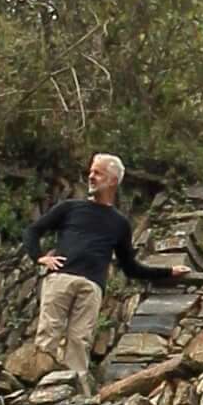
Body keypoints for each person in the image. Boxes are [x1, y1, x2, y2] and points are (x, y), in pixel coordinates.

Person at [21, 154, 139, 377]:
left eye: (98, 172)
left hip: (92, 286)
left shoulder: (120, 223)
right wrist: (38, 257)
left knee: (79, 341)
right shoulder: (71, 208)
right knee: (48, 336)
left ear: (113, 180)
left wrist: (169, 272)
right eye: (91, 172)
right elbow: (32, 231)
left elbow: (130, 267)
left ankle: (74, 397)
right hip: (61, 277)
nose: (91, 177)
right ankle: (39, 391)